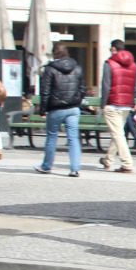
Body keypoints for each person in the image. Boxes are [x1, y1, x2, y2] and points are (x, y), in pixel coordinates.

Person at [35, 44, 87, 177]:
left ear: (54, 54)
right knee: (73, 138)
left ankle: (47, 166)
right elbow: (82, 88)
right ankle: (75, 168)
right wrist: (77, 100)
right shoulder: (77, 67)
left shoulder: (50, 69)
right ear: (66, 53)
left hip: (56, 108)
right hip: (73, 108)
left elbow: (45, 91)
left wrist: (42, 110)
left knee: (52, 137)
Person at [99, 39, 136, 173]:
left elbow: (105, 85)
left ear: (114, 49)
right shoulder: (133, 65)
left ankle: (127, 163)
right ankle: (108, 160)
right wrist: (131, 101)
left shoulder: (109, 63)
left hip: (112, 103)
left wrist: (103, 104)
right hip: (126, 105)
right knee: (118, 133)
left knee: (118, 134)